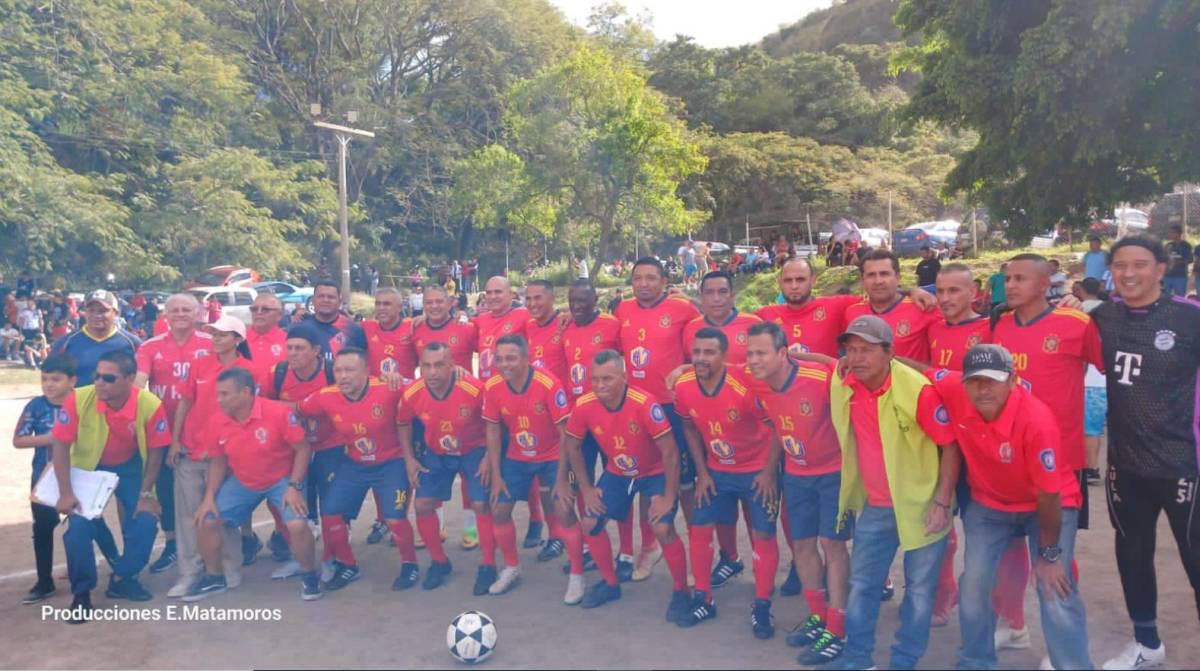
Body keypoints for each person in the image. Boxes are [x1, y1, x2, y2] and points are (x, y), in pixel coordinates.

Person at [921, 344, 1092, 669]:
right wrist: (860, 360)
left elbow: (1049, 495)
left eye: (993, 380)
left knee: (1054, 585)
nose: (983, 389)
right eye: (975, 381)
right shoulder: (955, 388)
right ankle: (975, 660)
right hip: (990, 504)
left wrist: (1049, 556)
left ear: (1013, 380)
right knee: (974, 584)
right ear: (964, 382)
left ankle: (1074, 665)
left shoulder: (1036, 420)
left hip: (1046, 504)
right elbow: (916, 369)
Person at [1090, 236, 1200, 671]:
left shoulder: (1189, 317)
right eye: (1120, 265)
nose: (1129, 273)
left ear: (1161, 268)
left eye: (1140, 264)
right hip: (1126, 464)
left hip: (1184, 463)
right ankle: (1146, 644)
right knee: (1132, 554)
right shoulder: (1102, 318)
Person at [829, 316, 961, 670]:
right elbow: (805, 359)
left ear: (889, 352)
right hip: (876, 505)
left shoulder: (916, 390)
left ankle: (904, 661)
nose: (857, 358)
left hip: (921, 505)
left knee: (918, 593)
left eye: (866, 350)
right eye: (851, 350)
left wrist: (941, 503)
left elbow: (950, 447)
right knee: (862, 585)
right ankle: (858, 659)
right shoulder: (846, 382)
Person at [990, 252, 1104, 651]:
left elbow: (1109, 368)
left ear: (1044, 284)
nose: (1013, 285)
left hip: (1059, 469)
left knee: (1054, 563)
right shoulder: (999, 325)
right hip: (1008, 465)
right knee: (1007, 556)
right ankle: (1013, 624)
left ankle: (1066, 655)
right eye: (1008, 278)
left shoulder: (1076, 323)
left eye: (1021, 278)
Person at [561, 350, 688, 617]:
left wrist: (668, 495)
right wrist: (586, 488)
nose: (600, 385)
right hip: (618, 472)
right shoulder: (584, 405)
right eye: (595, 379)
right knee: (590, 522)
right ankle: (610, 583)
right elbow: (572, 445)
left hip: (653, 472)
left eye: (607, 378)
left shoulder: (644, 403)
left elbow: (670, 452)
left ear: (624, 377)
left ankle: (680, 591)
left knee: (662, 526)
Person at [50, 350, 172, 621]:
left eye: (108, 377)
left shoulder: (149, 403)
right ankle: (81, 593)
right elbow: (60, 444)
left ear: (130, 378)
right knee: (78, 528)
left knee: (146, 520)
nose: (99, 382)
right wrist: (66, 492)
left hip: (130, 468)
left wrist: (146, 493)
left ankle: (123, 578)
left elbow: (155, 452)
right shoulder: (79, 399)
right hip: (89, 469)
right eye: (96, 376)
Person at [674, 327, 780, 636]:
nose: (701, 358)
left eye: (709, 352)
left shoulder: (745, 384)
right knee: (699, 527)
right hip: (716, 470)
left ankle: (762, 606)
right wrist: (702, 471)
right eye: (696, 352)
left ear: (724, 356)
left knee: (763, 534)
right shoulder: (683, 386)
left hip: (756, 470)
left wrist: (769, 472)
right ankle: (703, 598)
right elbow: (688, 426)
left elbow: (776, 426)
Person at [188, 368, 321, 602]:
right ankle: (214, 578)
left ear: (246, 392)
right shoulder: (217, 421)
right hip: (243, 481)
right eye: (217, 394)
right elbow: (218, 462)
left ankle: (310, 575)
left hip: (282, 479)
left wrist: (294, 486)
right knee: (206, 520)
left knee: (298, 526)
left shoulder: (277, 412)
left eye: (225, 394)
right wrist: (209, 497)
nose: (218, 400)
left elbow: (303, 448)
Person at [297, 348, 418, 591]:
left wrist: (458, 373)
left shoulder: (388, 387)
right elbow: (295, 410)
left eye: (349, 370)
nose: (343, 376)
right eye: (338, 370)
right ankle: (348, 564)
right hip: (354, 463)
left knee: (395, 518)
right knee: (330, 513)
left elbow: (428, 387)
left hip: (392, 463)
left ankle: (410, 564)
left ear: (367, 372)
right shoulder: (325, 396)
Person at [615, 257, 701, 580]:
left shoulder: (684, 311)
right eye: (638, 278)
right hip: (637, 409)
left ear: (664, 281)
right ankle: (649, 548)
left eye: (651, 278)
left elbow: (702, 351)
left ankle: (697, 551)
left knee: (685, 484)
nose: (644, 283)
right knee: (645, 481)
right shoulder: (622, 311)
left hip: (674, 409)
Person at [484, 335, 585, 601]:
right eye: (500, 358)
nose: (504, 364)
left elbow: (566, 435)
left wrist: (562, 479)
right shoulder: (493, 386)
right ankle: (512, 567)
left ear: (526, 359)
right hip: (518, 456)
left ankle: (576, 575)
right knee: (499, 508)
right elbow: (493, 430)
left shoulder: (548, 383)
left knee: (563, 508)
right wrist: (496, 475)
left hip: (554, 455)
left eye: (511, 358)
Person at [165, 316, 258, 598]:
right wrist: (175, 440)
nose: (215, 338)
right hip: (191, 451)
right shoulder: (200, 364)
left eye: (222, 334)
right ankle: (190, 572)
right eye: (213, 333)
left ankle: (228, 568)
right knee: (188, 516)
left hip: (227, 457)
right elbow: (185, 402)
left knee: (221, 515)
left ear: (238, 340)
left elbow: (250, 415)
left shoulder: (249, 371)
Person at [398, 344, 497, 594]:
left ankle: (488, 564)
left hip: (473, 451)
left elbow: (494, 423)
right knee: (422, 505)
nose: (432, 372)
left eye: (439, 365)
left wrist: (488, 456)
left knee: (481, 504)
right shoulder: (412, 392)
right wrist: (409, 458)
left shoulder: (474, 389)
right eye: (426, 366)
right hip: (436, 453)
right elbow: (402, 423)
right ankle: (439, 562)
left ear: (452, 365)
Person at [134, 294, 213, 577]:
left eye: (186, 309)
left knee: (210, 486)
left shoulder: (209, 343)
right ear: (165, 314)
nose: (181, 314)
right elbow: (139, 382)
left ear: (198, 313)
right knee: (166, 488)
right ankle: (171, 543)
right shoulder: (150, 346)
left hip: (203, 428)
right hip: (164, 429)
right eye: (175, 309)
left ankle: (228, 541)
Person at [262, 324, 340, 577]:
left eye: (300, 348)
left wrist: (293, 406)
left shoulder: (331, 372)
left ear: (317, 351)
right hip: (293, 449)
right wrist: (302, 406)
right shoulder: (278, 372)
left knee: (331, 507)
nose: (293, 353)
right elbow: (263, 406)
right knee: (292, 505)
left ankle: (332, 558)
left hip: (330, 446)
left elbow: (342, 402)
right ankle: (300, 559)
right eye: (289, 348)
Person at [13, 353, 76, 604]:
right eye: (45, 379)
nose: (49, 384)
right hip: (44, 475)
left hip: (79, 474)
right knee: (43, 527)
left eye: (56, 379)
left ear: (72, 381)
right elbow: (19, 439)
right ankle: (44, 579)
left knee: (83, 524)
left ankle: (86, 570)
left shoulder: (81, 403)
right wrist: (54, 438)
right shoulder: (36, 406)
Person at [845, 249, 939, 364]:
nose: (878, 281)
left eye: (884, 274)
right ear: (862, 280)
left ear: (898, 277)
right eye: (871, 275)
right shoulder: (852, 312)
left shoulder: (923, 307)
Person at [51, 289, 141, 386]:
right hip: (78, 400)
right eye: (91, 310)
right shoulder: (66, 343)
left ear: (116, 313)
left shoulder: (133, 344)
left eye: (103, 311)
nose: (96, 315)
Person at [411, 285, 476, 372]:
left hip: (462, 385)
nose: (434, 306)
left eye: (439, 302)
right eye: (429, 302)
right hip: (429, 385)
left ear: (449, 304)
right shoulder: (415, 329)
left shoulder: (467, 328)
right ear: (423, 305)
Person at [302, 279, 367, 360]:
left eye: (331, 297)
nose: (325, 300)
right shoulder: (300, 328)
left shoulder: (353, 330)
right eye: (321, 296)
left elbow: (362, 364)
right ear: (313, 300)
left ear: (339, 301)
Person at [362, 287, 416, 381]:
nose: (381, 308)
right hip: (375, 392)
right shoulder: (366, 327)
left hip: (404, 392)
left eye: (387, 304)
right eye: (378, 304)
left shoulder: (413, 327)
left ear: (399, 307)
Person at [245, 293, 288, 379]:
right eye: (254, 309)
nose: (259, 312)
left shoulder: (289, 341)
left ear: (279, 315)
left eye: (265, 309)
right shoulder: (238, 340)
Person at [1164, 223, 1193, 296]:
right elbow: (1164, 259)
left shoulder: (1186, 245)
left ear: (1178, 233)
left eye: (1171, 232)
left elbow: (1190, 260)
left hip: (1180, 276)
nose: (1169, 234)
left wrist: (1176, 262)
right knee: (1165, 297)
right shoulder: (1168, 245)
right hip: (1167, 276)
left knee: (1180, 299)